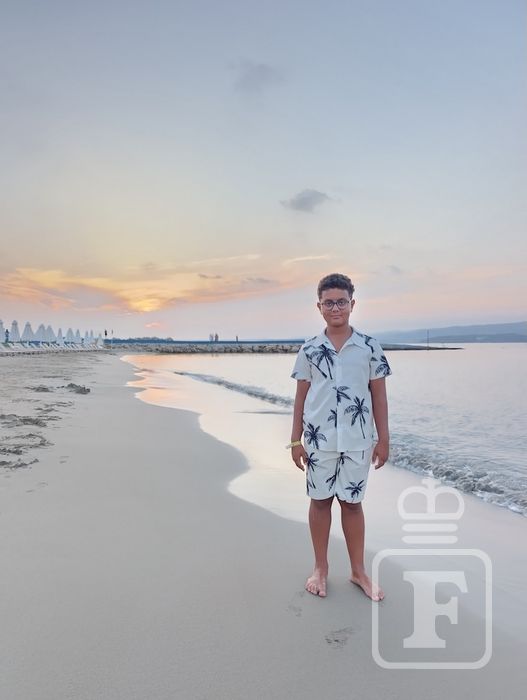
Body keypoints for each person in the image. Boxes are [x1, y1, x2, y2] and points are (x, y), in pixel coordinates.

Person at [289, 272, 391, 601]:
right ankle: (320, 568)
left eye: (341, 302)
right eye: (329, 303)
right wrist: (295, 440)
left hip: (358, 441)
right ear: (319, 307)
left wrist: (384, 439)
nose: (336, 308)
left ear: (352, 304)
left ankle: (358, 571)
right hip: (319, 440)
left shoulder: (369, 347)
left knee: (352, 504)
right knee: (320, 502)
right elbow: (301, 397)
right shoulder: (309, 349)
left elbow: (379, 396)